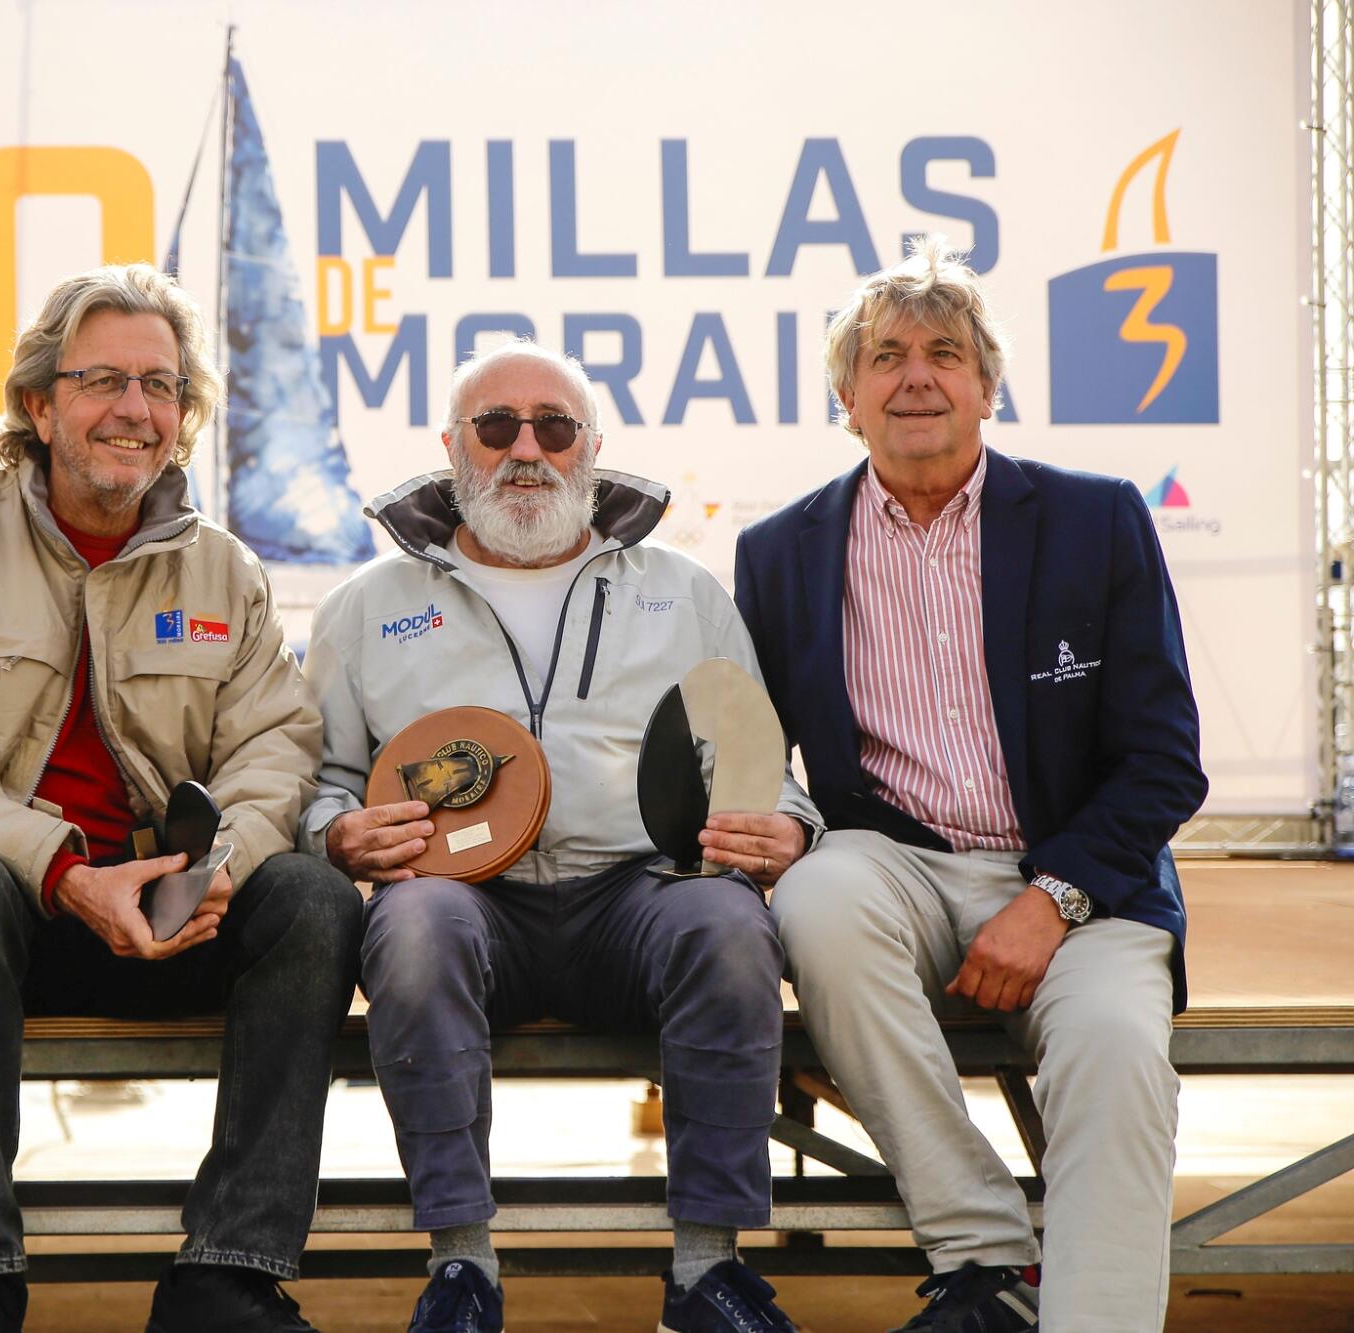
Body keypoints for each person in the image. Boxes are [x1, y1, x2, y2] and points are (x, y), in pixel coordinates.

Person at [0, 262, 362, 1333]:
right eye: (103, 381)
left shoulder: (225, 571)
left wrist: (215, 869)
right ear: (38, 406)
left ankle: (228, 1275)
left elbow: (276, 745)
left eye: (160, 386)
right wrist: (66, 871)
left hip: (168, 907)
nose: (136, 408)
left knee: (312, 899)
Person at [301, 337, 821, 1333]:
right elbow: (320, 781)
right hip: (463, 899)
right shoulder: (365, 605)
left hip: (640, 893)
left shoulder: (683, 590)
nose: (525, 450)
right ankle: (461, 1269)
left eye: (554, 427)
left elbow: (760, 770)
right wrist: (338, 835)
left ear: (593, 447)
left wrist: (786, 830)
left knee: (727, 924)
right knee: (411, 927)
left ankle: (706, 1272)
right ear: (452, 447)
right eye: (496, 426)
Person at [734, 239, 1207, 1332]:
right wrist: (783, 827)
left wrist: (1053, 899)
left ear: (986, 386)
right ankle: (984, 1256)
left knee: (1116, 1053)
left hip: (1084, 886)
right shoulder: (779, 552)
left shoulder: (1095, 519)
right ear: (847, 397)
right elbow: (758, 761)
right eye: (885, 356)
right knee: (817, 895)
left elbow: (1162, 758)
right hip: (894, 869)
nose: (916, 377)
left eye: (944, 353)